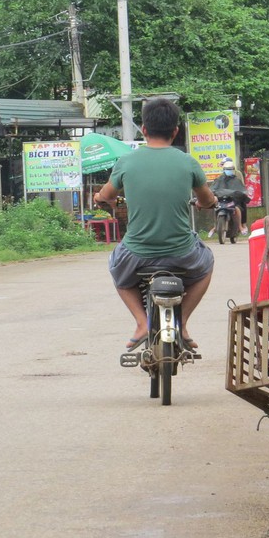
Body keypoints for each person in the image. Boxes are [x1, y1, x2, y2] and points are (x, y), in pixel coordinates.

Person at [95, 98, 217, 351]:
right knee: (207, 264)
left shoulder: (126, 162)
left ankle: (141, 322)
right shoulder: (188, 162)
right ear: (175, 131)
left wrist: (99, 198)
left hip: (137, 254)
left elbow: (106, 196)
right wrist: (207, 202)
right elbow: (206, 200)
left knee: (116, 268)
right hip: (183, 253)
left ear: (144, 129)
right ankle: (181, 325)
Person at [208, 159, 249, 235]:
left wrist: (241, 193)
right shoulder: (220, 178)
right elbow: (214, 187)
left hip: (234, 198)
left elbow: (241, 187)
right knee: (215, 207)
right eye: (226, 169)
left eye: (229, 169)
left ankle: (241, 226)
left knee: (238, 207)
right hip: (222, 198)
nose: (228, 170)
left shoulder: (237, 177)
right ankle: (215, 227)